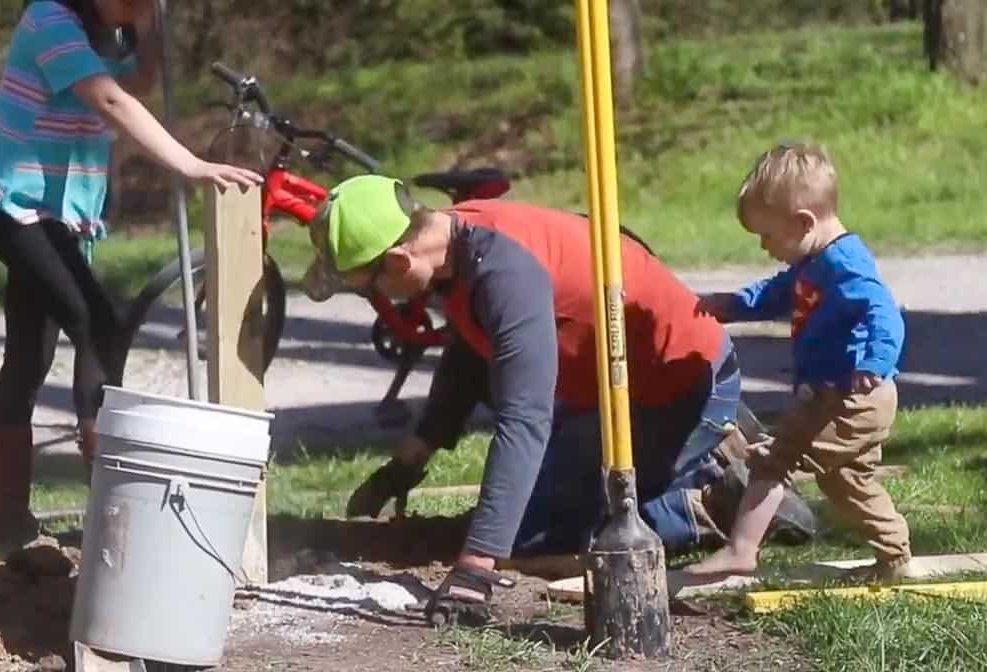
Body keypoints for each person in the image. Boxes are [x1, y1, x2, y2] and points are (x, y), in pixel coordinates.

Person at [301, 174, 815, 624]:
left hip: (681, 389)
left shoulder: (504, 273)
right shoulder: (451, 242)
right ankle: (690, 467)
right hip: (610, 390)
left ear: (398, 257)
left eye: (369, 285)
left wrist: (476, 567)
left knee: (529, 539)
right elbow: (469, 356)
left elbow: (526, 419)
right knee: (520, 517)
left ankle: (702, 497)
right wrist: (411, 459)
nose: (378, 299)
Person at [0, 0, 263, 543]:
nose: (139, 5)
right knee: (97, 321)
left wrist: (145, 28)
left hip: (62, 214)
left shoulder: (109, 33)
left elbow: (138, 80)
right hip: (12, 205)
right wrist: (191, 164)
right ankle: (110, 500)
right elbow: (109, 98)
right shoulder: (49, 21)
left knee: (32, 350)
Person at [685, 141, 911, 583]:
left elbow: (884, 312)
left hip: (855, 396)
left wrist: (874, 360)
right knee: (847, 482)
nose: (765, 246)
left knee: (774, 458)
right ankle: (895, 554)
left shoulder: (846, 266)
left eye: (767, 236)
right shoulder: (814, 261)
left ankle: (740, 550)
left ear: (803, 222)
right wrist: (732, 304)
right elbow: (777, 292)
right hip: (834, 392)